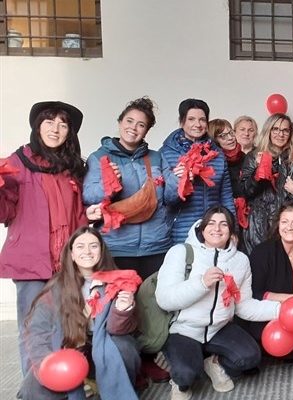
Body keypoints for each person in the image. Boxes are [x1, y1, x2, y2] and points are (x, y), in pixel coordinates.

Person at [82, 98, 179, 384]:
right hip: (116, 245)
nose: (134, 128)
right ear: (120, 122)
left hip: (155, 243)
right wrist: (108, 185)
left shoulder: (156, 158)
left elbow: (169, 199)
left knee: (151, 308)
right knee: (119, 307)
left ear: (146, 131)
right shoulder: (99, 156)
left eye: (141, 125)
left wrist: (178, 181)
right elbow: (89, 195)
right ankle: (127, 364)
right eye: (130, 121)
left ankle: (147, 360)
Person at [1, 101, 101, 374]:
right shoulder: (16, 162)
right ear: (37, 126)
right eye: (49, 122)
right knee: (34, 329)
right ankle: (34, 388)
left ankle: (63, 381)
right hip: (31, 263)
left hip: (65, 263)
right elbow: (5, 211)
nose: (56, 129)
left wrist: (89, 213)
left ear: (70, 132)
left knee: (65, 326)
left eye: (63, 123)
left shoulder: (72, 168)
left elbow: (77, 214)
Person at [156, 206, 281, 399]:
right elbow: (165, 300)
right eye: (211, 223)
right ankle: (181, 380)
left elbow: (244, 306)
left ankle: (214, 364)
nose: (217, 229)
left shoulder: (240, 260)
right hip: (184, 330)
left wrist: (282, 309)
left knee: (250, 357)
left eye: (224, 224)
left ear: (231, 231)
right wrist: (202, 283)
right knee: (187, 374)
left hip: (219, 328)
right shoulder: (181, 252)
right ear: (202, 228)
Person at [19, 227, 140, 400]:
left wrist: (123, 310)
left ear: (101, 251)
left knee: (124, 348)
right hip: (69, 348)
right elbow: (38, 331)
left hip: (103, 348)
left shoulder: (117, 280)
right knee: (31, 388)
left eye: (94, 246)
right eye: (80, 246)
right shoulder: (56, 287)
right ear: (72, 254)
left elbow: (118, 330)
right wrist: (48, 365)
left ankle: (107, 385)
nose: (88, 251)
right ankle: (80, 387)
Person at [238, 202, 293, 367]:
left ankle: (285, 352)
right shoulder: (263, 252)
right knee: (263, 348)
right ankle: (265, 350)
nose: (289, 227)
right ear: (278, 225)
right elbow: (256, 293)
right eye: (284, 222)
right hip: (267, 313)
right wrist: (292, 299)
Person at [159, 98, 236, 244]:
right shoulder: (165, 153)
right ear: (182, 122)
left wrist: (232, 229)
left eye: (202, 119)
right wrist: (180, 180)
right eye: (191, 119)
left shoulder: (217, 154)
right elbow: (166, 199)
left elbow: (225, 195)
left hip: (214, 232)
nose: (197, 124)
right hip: (179, 232)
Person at [240, 113, 293, 254]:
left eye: (285, 130)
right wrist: (258, 173)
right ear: (269, 131)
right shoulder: (254, 156)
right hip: (260, 224)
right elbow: (245, 191)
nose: (280, 134)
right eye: (276, 129)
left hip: (287, 225)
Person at [210, 118, 246, 199]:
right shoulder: (213, 162)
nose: (230, 138)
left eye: (231, 133)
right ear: (214, 140)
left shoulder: (245, 158)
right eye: (223, 136)